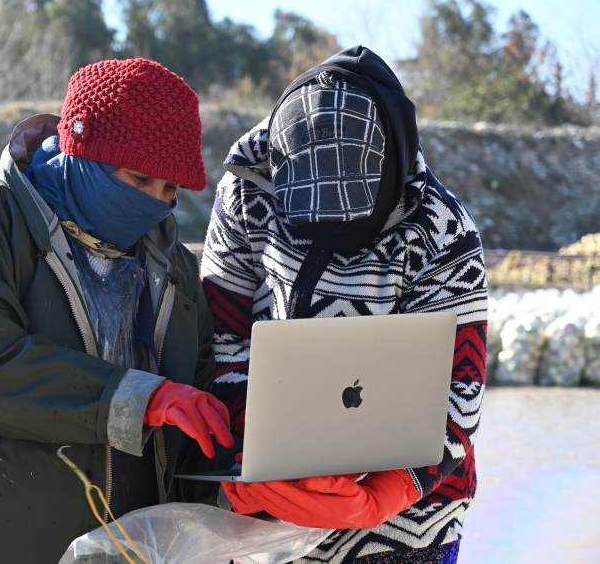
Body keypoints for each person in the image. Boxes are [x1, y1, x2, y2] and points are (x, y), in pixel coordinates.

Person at [0, 58, 233, 564]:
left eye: (171, 191)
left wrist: (233, 497)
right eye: (141, 179)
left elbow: (200, 395)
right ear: (81, 152)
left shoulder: (173, 265)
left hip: (132, 544)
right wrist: (142, 398)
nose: (157, 204)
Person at [202, 46, 487, 564]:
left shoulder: (440, 228)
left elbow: (461, 387)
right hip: (265, 519)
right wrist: (242, 454)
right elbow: (223, 338)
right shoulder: (246, 192)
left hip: (412, 524)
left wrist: (390, 490)